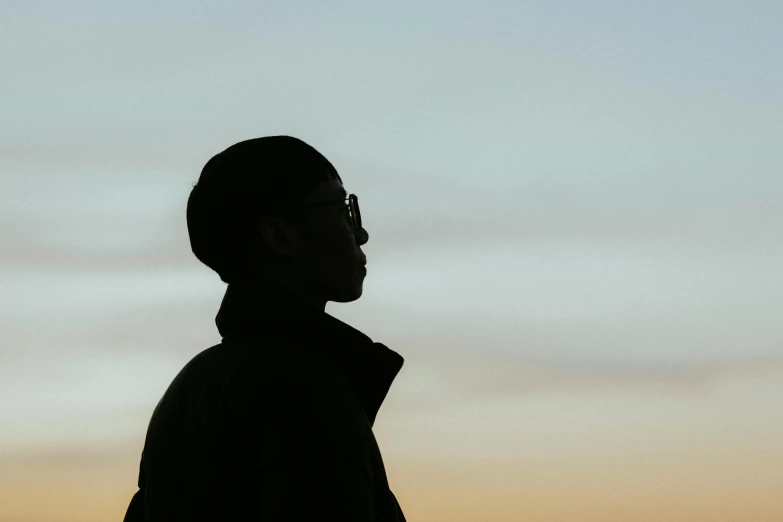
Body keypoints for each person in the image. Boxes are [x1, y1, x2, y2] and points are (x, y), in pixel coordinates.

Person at [122, 136, 407, 521]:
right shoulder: (304, 391)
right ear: (279, 235)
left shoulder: (193, 385)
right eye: (341, 211)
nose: (360, 234)